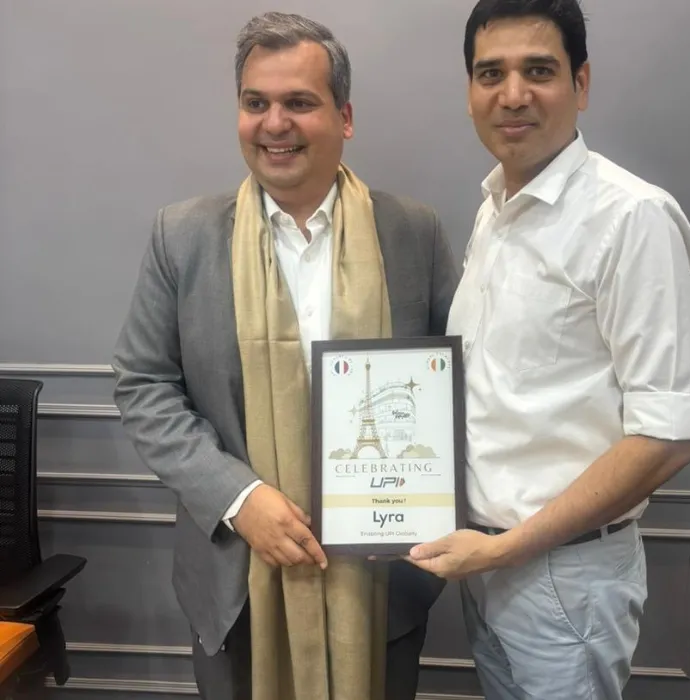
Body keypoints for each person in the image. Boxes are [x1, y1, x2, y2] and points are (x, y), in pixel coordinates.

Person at [111, 11, 457, 700]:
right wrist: (238, 499)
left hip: (381, 583)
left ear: (344, 117)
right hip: (236, 584)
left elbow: (456, 387)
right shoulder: (182, 236)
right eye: (255, 103)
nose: (275, 124)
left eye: (299, 102)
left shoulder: (412, 232)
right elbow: (143, 385)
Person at [406, 1, 690, 698]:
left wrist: (505, 550)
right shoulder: (495, 210)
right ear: (470, 92)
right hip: (486, 561)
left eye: (539, 71)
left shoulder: (629, 217)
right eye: (491, 73)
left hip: (563, 578)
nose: (513, 94)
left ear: (581, 83)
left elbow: (667, 439)